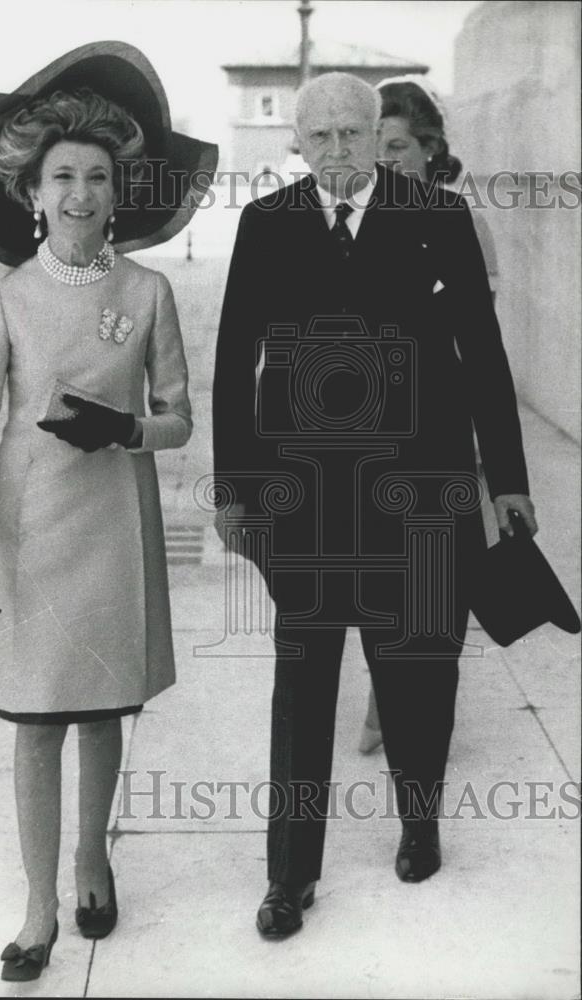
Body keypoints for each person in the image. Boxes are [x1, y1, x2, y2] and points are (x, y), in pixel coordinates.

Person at [212, 72, 536, 938]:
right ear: (300, 146)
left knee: (420, 667)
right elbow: (235, 355)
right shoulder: (266, 224)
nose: (339, 151)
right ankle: (289, 874)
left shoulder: (436, 215)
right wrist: (236, 488)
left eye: (354, 134)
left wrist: (506, 480)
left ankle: (419, 822)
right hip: (306, 498)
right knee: (303, 683)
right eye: (320, 138)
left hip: (422, 488)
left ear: (377, 130)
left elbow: (483, 350)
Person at [0, 42, 216, 981]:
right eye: (62, 177)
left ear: (115, 189)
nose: (80, 192)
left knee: (98, 715)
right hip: (30, 527)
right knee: (35, 719)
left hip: (112, 528)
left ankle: (92, 864)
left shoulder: (148, 292)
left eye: (96, 175)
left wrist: (124, 428)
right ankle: (37, 903)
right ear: (33, 193)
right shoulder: (7, 298)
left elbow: (178, 419)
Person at [358, 74, 500, 755]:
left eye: (397, 148)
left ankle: (421, 706)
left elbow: (478, 345)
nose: (384, 163)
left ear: (429, 149)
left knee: (436, 580)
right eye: (375, 150)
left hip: (439, 424)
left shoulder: (460, 222)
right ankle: (383, 697)